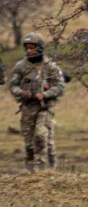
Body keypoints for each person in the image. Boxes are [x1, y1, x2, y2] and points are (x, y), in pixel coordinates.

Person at [7, 33, 65, 171]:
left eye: (32, 48)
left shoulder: (50, 66)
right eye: (26, 48)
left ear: (39, 48)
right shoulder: (20, 66)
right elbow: (12, 86)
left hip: (44, 108)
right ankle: (30, 171)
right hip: (27, 108)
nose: (28, 51)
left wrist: (45, 94)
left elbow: (60, 86)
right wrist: (21, 92)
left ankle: (44, 171)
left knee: (41, 136)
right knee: (29, 143)